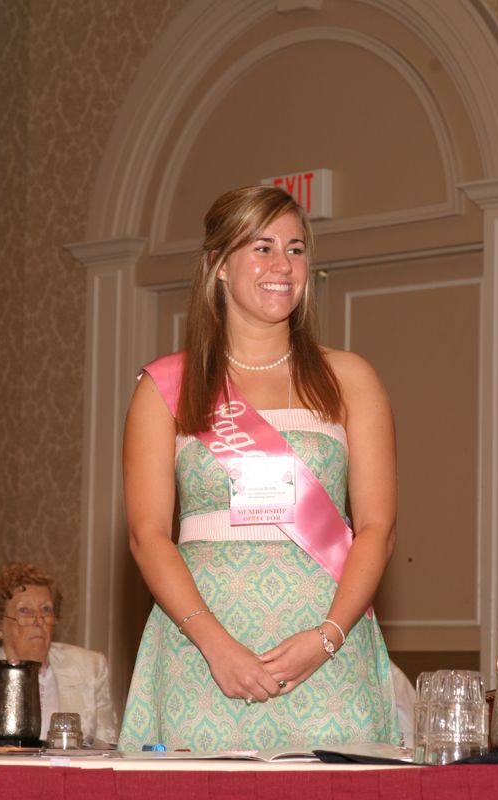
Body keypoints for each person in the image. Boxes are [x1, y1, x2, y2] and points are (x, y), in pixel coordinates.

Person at [119, 185, 400, 751]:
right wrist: (216, 646)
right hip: (203, 654)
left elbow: (376, 528)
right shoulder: (166, 388)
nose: (283, 266)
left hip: (327, 650)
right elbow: (147, 536)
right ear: (220, 265)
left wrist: (327, 637)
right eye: (263, 247)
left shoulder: (349, 377)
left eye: (296, 250)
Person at [0, 562, 118, 746]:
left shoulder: (90, 668)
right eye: (24, 611)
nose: (39, 620)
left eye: (46, 610)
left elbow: (108, 747)